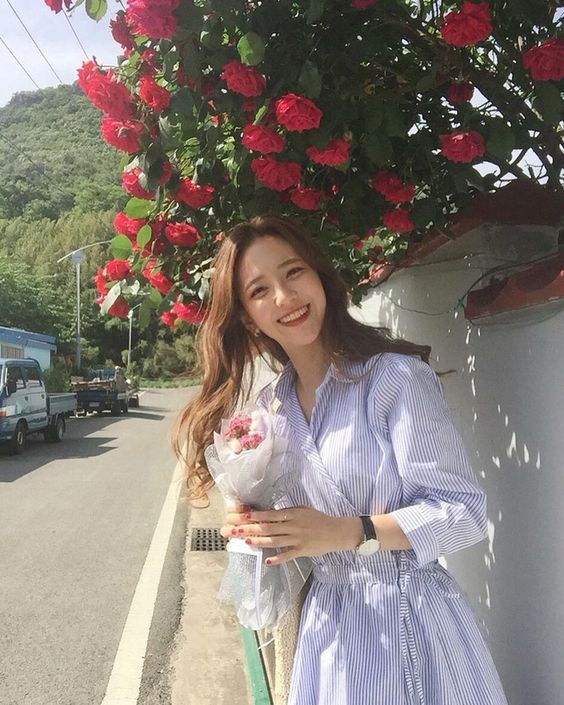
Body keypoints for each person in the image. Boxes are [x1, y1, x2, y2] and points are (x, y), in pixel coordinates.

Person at [174, 215, 509, 705]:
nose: (285, 297)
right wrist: (257, 531)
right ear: (247, 317)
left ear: (319, 276)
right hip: (329, 636)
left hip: (414, 626)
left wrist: (353, 531)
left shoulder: (394, 380)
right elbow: (280, 565)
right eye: (260, 290)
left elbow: (463, 513)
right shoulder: (269, 413)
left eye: (294, 272)